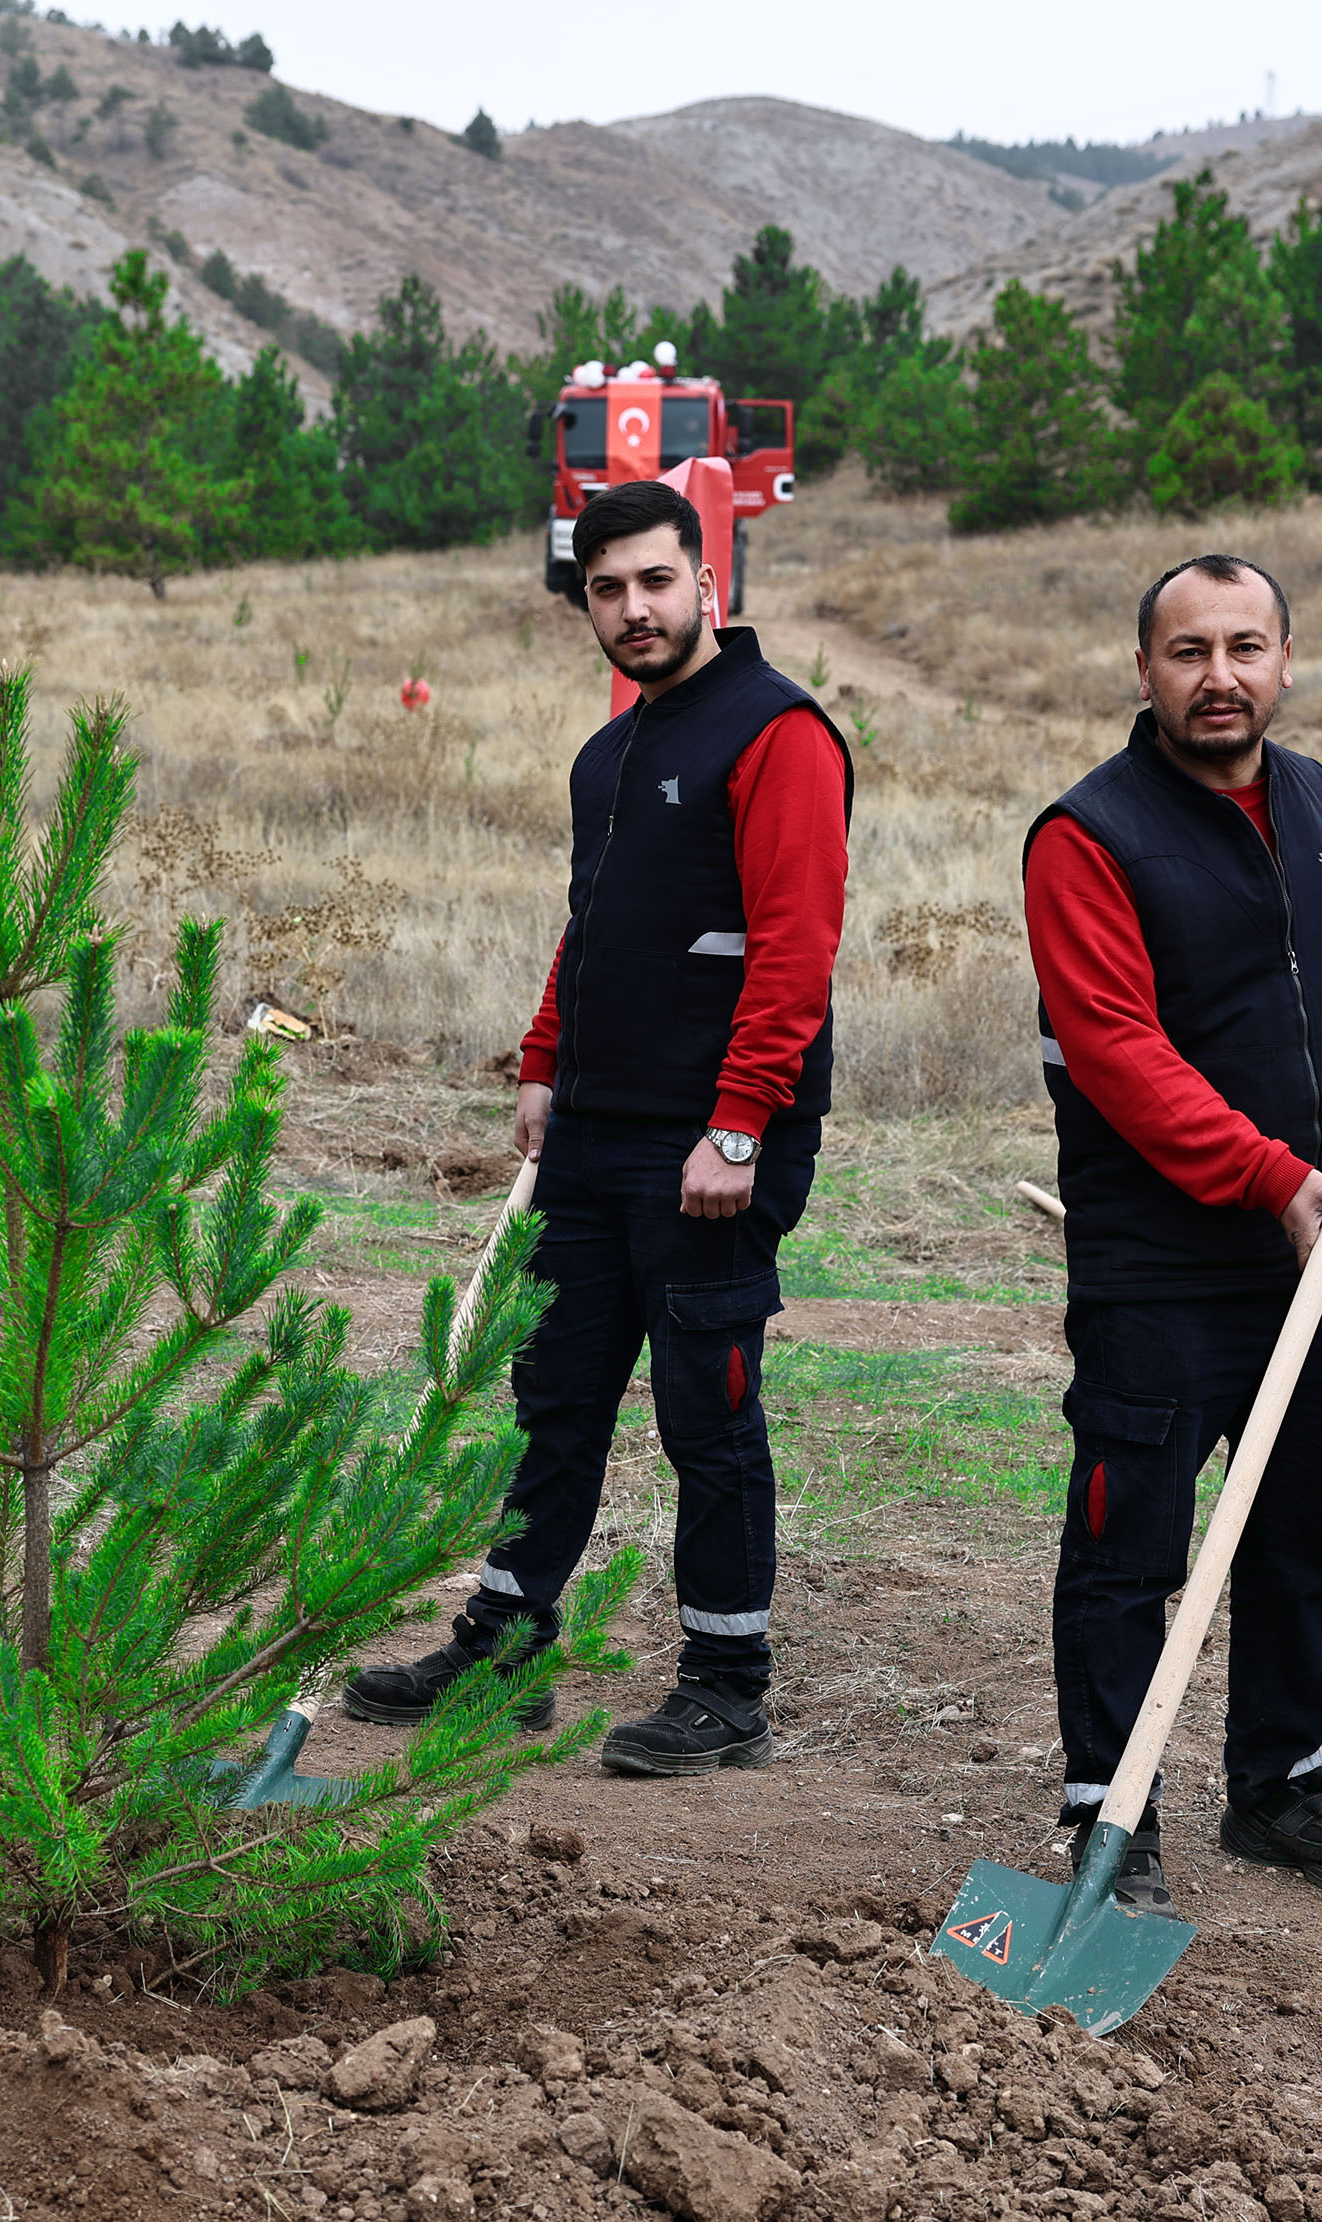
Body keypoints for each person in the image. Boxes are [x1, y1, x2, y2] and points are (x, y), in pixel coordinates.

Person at [1023, 552, 1322, 1914]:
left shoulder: (1305, 794)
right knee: (1130, 1548)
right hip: (1164, 1261)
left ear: (1285, 662)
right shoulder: (1087, 835)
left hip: (1320, 1238)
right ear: (1144, 672)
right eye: (1188, 651)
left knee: (1303, 1529)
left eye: (1245, 646)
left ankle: (1280, 1785)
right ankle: (1105, 1814)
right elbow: (1116, 1050)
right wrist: (1264, 1174)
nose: (1219, 675)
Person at [341, 478, 851, 1776]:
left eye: (654, 581)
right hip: (594, 1132)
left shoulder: (777, 733)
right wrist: (542, 1060)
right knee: (550, 1394)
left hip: (711, 1147)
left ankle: (726, 1678)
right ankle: (507, 1640)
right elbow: (594, 925)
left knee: (706, 1412)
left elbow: (793, 951)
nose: (632, 608)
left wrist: (737, 1127)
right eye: (606, 589)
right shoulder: (610, 753)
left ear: (706, 583)